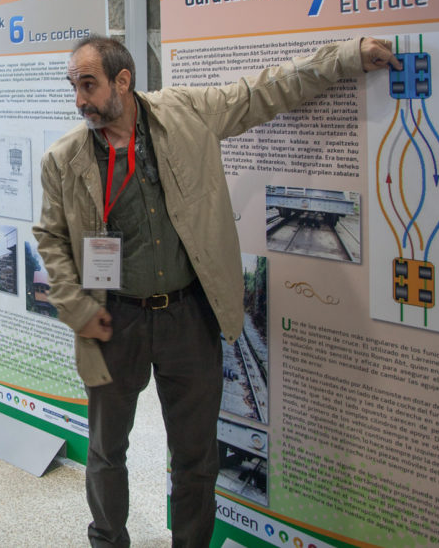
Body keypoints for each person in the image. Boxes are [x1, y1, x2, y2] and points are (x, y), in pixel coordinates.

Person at [32, 36, 400, 547]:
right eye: (73, 86)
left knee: (195, 457)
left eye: (88, 85)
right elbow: (50, 236)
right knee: (106, 451)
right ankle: (108, 541)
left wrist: (346, 58)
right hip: (112, 321)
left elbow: (264, 91)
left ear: (123, 81)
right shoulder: (64, 159)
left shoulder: (185, 115)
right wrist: (76, 306)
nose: (79, 100)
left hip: (188, 318)